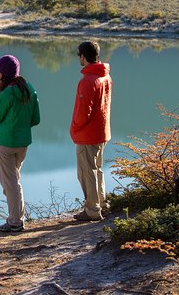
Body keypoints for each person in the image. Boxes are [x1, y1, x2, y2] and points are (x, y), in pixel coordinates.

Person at [0, 54, 40, 232]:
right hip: (23, 142)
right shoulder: (29, 89)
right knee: (14, 180)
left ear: (3, 74)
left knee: (9, 183)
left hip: (6, 142)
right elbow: (36, 119)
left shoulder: (7, 93)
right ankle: (17, 217)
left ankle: (15, 221)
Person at [71, 41, 112, 222]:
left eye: (78, 55)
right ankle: (101, 203)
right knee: (97, 170)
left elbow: (82, 112)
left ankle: (92, 210)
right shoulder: (105, 77)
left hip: (88, 134)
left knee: (86, 172)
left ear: (83, 56)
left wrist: (75, 128)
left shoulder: (87, 81)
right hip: (102, 131)